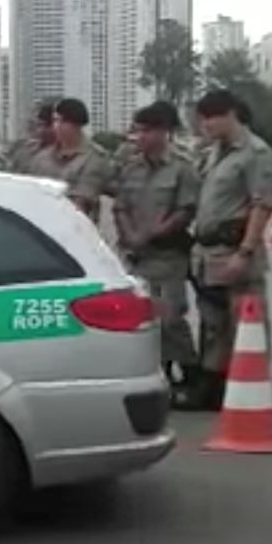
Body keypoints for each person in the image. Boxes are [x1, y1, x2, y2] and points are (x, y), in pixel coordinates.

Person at [176, 90, 272, 412]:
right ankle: (217, 387)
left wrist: (245, 252)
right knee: (214, 326)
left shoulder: (255, 153)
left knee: (245, 324)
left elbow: (261, 206)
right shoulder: (213, 153)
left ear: (230, 114)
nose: (205, 124)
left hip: (235, 249)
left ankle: (252, 388)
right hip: (208, 252)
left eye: (210, 117)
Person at [112, 101, 200, 386]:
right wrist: (130, 235)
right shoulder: (130, 168)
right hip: (136, 256)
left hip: (167, 255)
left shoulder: (182, 168)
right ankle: (158, 372)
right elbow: (120, 206)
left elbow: (185, 211)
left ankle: (191, 372)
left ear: (164, 132)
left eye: (147, 131)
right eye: (138, 131)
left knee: (171, 317)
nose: (140, 137)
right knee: (143, 318)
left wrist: (152, 233)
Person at [24, 98, 114, 221]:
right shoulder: (41, 158)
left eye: (64, 121)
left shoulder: (94, 158)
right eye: (55, 120)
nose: (58, 126)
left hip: (76, 228)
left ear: (78, 124)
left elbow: (82, 203)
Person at [9, 102, 59, 173]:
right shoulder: (24, 152)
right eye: (39, 125)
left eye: (46, 126)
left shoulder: (65, 156)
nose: (41, 130)